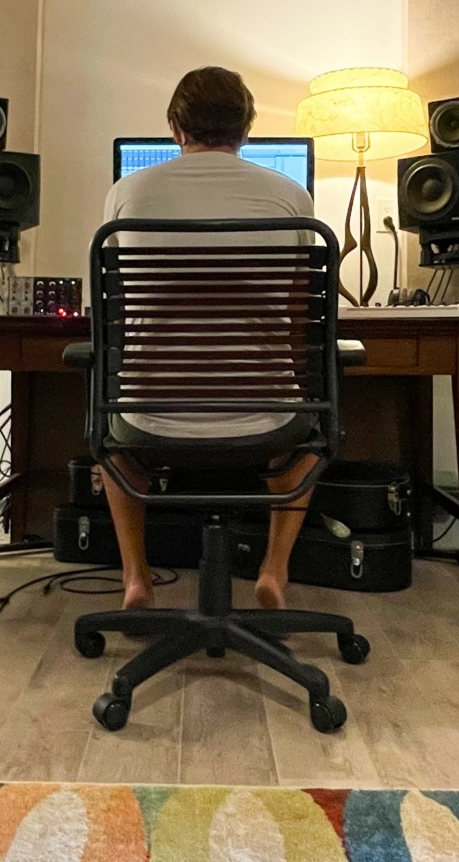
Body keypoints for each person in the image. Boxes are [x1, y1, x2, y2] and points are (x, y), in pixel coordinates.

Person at [97, 65, 318, 612]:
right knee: (307, 439)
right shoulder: (292, 196)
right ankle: (274, 570)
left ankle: (136, 578)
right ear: (247, 128)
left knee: (114, 441)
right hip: (263, 418)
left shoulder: (126, 194)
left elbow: (114, 313)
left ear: (176, 127)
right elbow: (300, 323)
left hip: (151, 418)